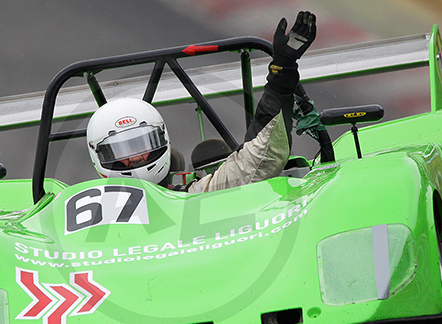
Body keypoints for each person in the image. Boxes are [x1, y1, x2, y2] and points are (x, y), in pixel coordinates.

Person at [86, 11, 317, 193]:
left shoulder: (194, 197)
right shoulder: (74, 213)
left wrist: (282, 73)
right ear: (99, 157)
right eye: (122, 152)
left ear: (162, 139)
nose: (135, 158)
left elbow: (260, 159)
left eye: (140, 145)